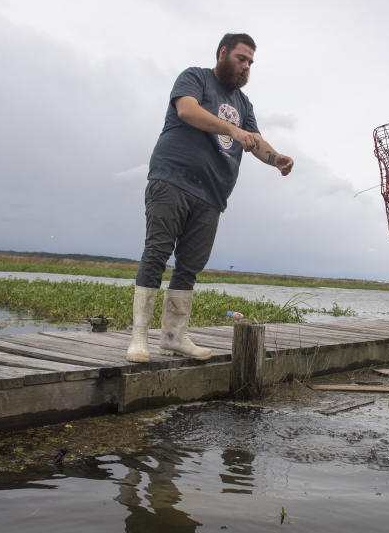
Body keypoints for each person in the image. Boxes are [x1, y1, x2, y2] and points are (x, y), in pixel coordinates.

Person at [126, 33, 294, 362]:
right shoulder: (195, 77)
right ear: (222, 53)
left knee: (189, 266)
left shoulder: (244, 104)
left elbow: (255, 139)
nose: (246, 67)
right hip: (172, 179)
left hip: (212, 195)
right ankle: (139, 340)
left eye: (250, 63)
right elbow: (187, 111)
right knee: (157, 253)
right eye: (241, 58)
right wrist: (231, 130)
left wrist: (276, 160)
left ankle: (174, 337)